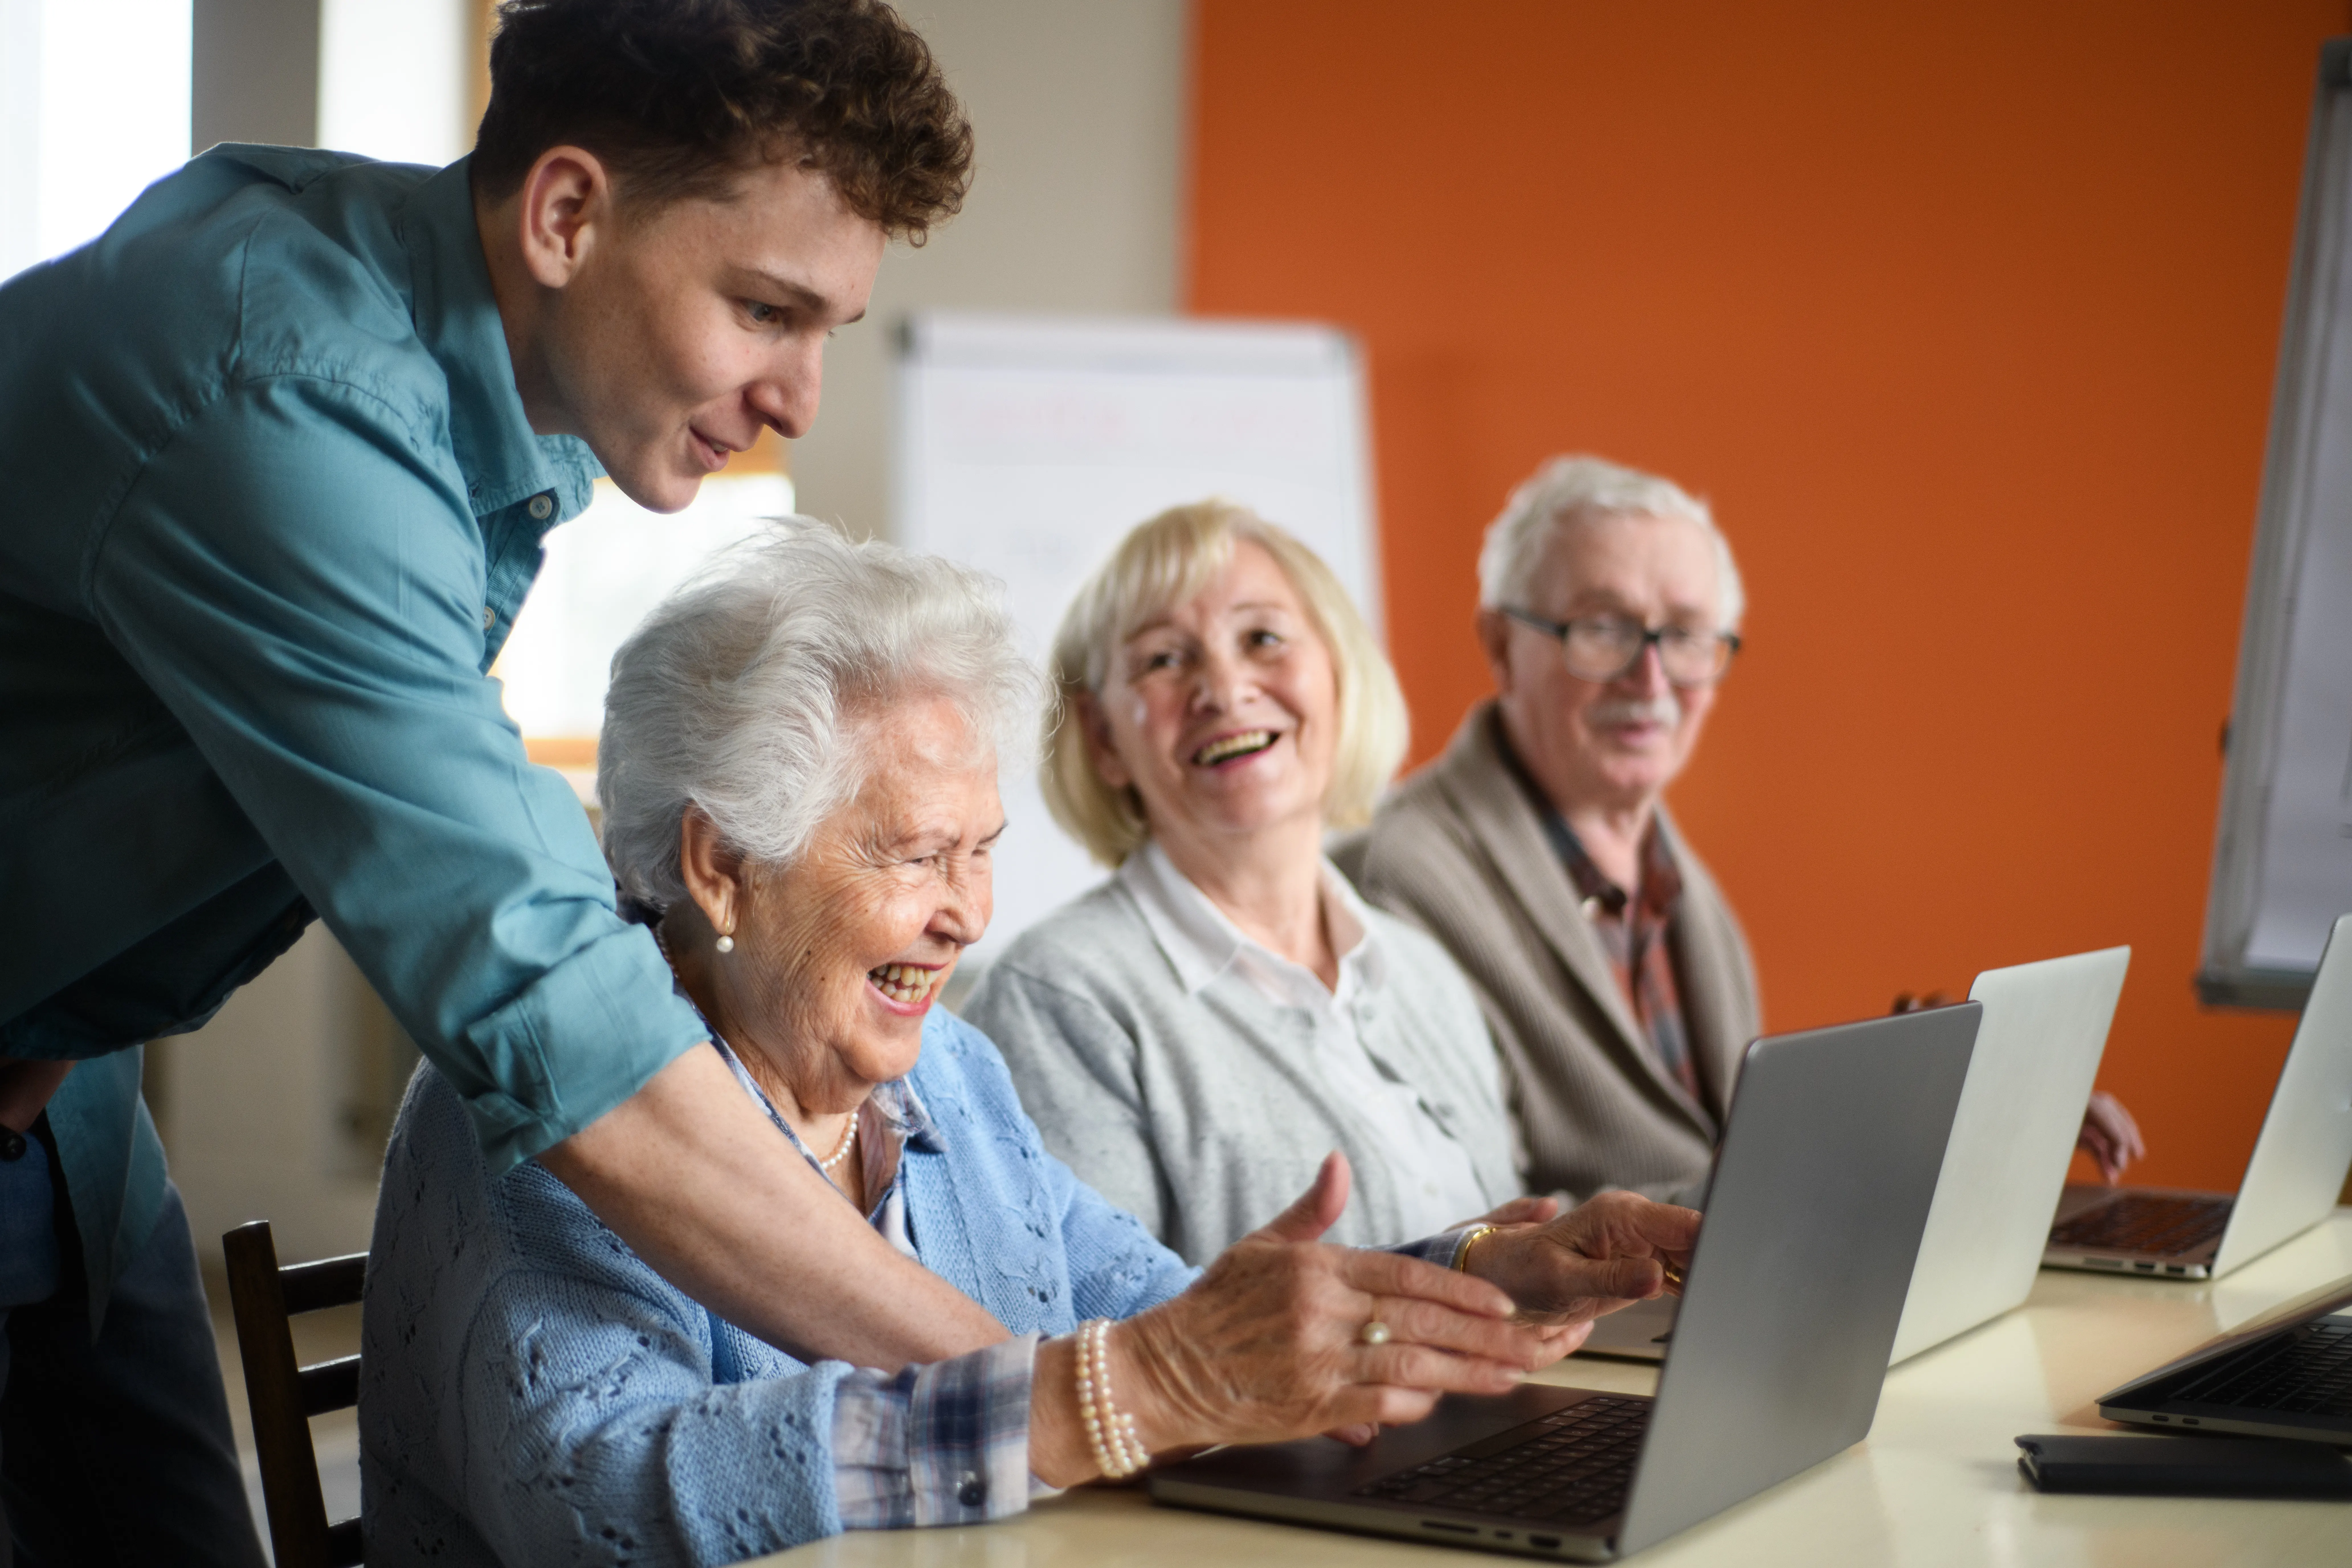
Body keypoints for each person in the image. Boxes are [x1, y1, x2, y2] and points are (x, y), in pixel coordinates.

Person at [0, 4, 1009, 1559]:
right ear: (565, 215)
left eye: (830, 332)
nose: (802, 392)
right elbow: (534, 991)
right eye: (763, 309)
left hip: (65, 1108)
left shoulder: (435, 368)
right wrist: (1038, 1397)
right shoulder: (290, 385)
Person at [359, 522, 1702, 1565]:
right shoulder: (546, 1104)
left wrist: (1475, 1277)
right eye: (916, 855)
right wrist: (1094, 1402)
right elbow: (599, 1500)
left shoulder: (947, 1073)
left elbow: (1170, 1326)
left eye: (984, 851)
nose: (968, 915)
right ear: (721, 867)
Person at [1335, 455, 2145, 1203]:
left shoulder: (1675, 879)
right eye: (1603, 629)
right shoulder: (1401, 882)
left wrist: (1931, 1102)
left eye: (1686, 636)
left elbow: (1712, 1159)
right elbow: (1482, 1222)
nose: (1650, 678)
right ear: (1502, 646)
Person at [962, 502, 1534, 1265]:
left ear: (1338, 674)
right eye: (1166, 659)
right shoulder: (1058, 1000)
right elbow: (1101, 1346)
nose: (1225, 690)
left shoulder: (1427, 975)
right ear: (1104, 739)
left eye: (1263, 638)